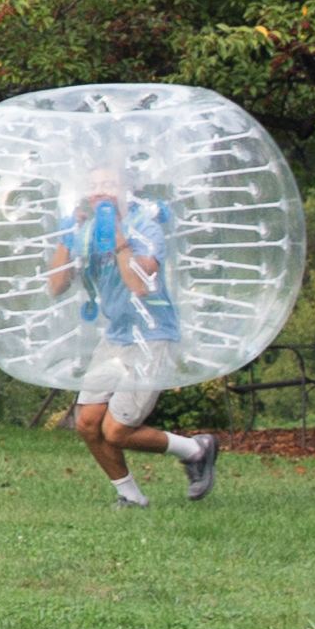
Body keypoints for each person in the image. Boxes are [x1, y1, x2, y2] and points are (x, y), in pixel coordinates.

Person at [39, 166, 218, 506]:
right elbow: (56, 286)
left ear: (125, 191)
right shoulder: (87, 232)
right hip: (116, 336)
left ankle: (196, 449)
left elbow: (139, 285)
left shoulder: (146, 229)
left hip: (151, 335)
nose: (100, 191)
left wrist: (118, 239)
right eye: (93, 185)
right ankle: (131, 496)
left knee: (117, 430)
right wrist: (67, 237)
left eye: (108, 184)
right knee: (88, 423)